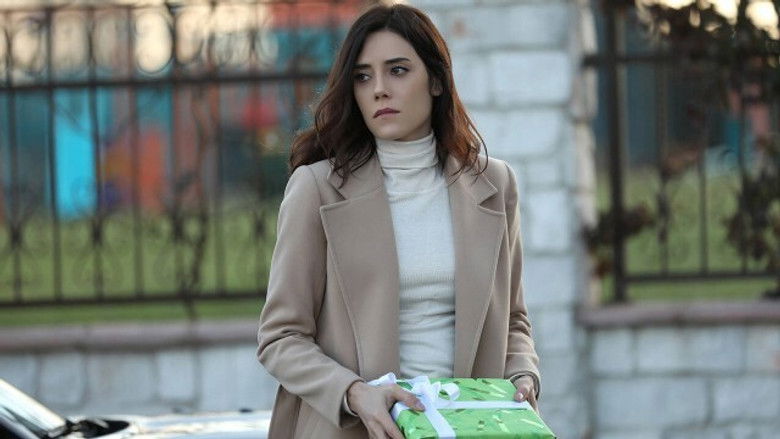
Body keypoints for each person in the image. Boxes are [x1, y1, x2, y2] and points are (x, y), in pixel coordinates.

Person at [256, 3, 540, 438]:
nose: (379, 90)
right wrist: (354, 393)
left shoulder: (495, 185)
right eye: (362, 77)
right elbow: (281, 337)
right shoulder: (316, 188)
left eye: (398, 70)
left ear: (437, 81)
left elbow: (513, 320)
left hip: (467, 426)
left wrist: (522, 374)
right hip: (352, 429)